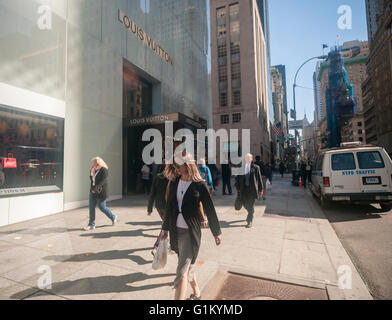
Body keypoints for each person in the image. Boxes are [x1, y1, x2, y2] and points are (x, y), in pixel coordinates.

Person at [160, 152, 222, 300]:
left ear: (187, 165)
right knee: (187, 265)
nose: (176, 168)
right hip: (176, 230)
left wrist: (216, 232)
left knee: (181, 272)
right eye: (175, 165)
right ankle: (197, 293)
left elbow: (210, 209)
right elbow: (170, 207)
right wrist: (164, 229)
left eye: (178, 165)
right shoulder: (175, 182)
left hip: (190, 233)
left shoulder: (199, 185)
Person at [148, 164, 179, 256]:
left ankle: (168, 245)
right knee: (166, 227)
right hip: (167, 207)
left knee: (166, 225)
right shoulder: (172, 179)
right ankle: (156, 247)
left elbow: (152, 193)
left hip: (159, 206)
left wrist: (149, 208)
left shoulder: (157, 177)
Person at [85, 157, 117, 231]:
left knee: (102, 207)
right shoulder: (93, 170)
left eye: (94, 162)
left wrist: (95, 189)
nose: (93, 164)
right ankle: (91, 224)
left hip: (101, 192)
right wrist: (91, 173)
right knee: (91, 207)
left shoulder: (104, 170)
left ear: (98, 162)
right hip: (92, 191)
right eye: (93, 162)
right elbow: (92, 180)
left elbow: (102, 182)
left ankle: (113, 217)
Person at [235, 154, 263, 228]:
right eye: (246, 158)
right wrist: (237, 187)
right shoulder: (241, 168)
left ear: (251, 159)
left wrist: (260, 189)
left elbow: (259, 179)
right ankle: (251, 212)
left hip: (252, 190)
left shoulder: (256, 167)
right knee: (245, 204)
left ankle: (249, 221)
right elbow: (237, 178)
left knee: (250, 205)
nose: (247, 159)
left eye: (248, 158)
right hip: (243, 189)